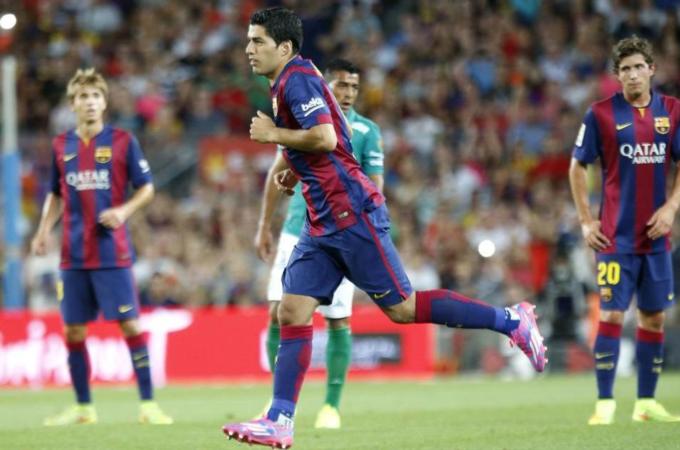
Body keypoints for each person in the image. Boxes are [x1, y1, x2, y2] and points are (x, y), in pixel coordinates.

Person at [223, 8, 546, 448]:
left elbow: (326, 138)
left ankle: (510, 320)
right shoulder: (288, 81)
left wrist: (274, 135)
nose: (248, 48)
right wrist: (296, 172)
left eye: (257, 41)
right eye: (249, 40)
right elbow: (335, 137)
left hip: (350, 214)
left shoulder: (296, 80)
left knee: (403, 309)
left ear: (283, 47)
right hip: (321, 221)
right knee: (291, 311)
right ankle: (280, 419)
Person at [31, 68, 173, 426]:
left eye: (96, 96)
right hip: (72, 255)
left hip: (112, 253)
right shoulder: (60, 146)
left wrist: (124, 211)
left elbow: (146, 187)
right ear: (73, 104)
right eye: (83, 97)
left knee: (130, 325)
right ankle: (84, 408)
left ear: (104, 102)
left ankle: (148, 405)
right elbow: (54, 194)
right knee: (73, 331)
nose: (90, 102)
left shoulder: (123, 141)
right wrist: (43, 229)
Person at [256, 58, 384, 430]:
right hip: (296, 228)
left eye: (354, 87)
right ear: (325, 85)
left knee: (338, 317)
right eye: (341, 85)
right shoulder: (302, 120)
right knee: (278, 311)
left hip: (340, 231)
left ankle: (331, 406)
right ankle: (279, 398)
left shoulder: (366, 130)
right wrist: (264, 225)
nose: (348, 93)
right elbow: (278, 172)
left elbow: (375, 184)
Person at [569, 35, 680, 425]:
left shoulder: (673, 111)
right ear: (617, 75)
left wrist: (671, 207)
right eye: (626, 69)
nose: (633, 74)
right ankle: (604, 403)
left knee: (653, 319)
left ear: (652, 69)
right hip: (614, 239)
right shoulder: (600, 114)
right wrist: (586, 220)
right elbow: (577, 166)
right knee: (612, 316)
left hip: (656, 240)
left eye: (639, 67)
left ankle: (646, 403)